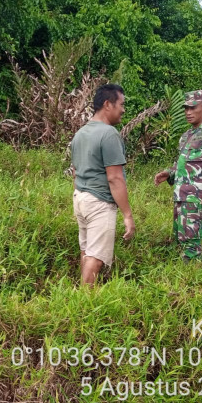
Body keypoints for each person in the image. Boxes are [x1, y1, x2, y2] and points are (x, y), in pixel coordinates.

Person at [70, 83, 136, 286]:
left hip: (80, 198)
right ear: (108, 104)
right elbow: (115, 178)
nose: (123, 109)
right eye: (121, 104)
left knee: (87, 251)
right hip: (99, 201)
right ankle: (84, 305)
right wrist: (128, 215)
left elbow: (75, 171)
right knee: (95, 258)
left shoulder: (81, 133)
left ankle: (83, 296)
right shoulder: (109, 134)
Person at [154, 90, 202, 260]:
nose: (188, 112)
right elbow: (185, 164)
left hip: (196, 197)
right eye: (186, 108)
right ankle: (180, 276)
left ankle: (194, 278)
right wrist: (169, 173)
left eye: (193, 108)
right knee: (179, 239)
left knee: (191, 243)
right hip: (181, 195)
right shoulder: (187, 135)